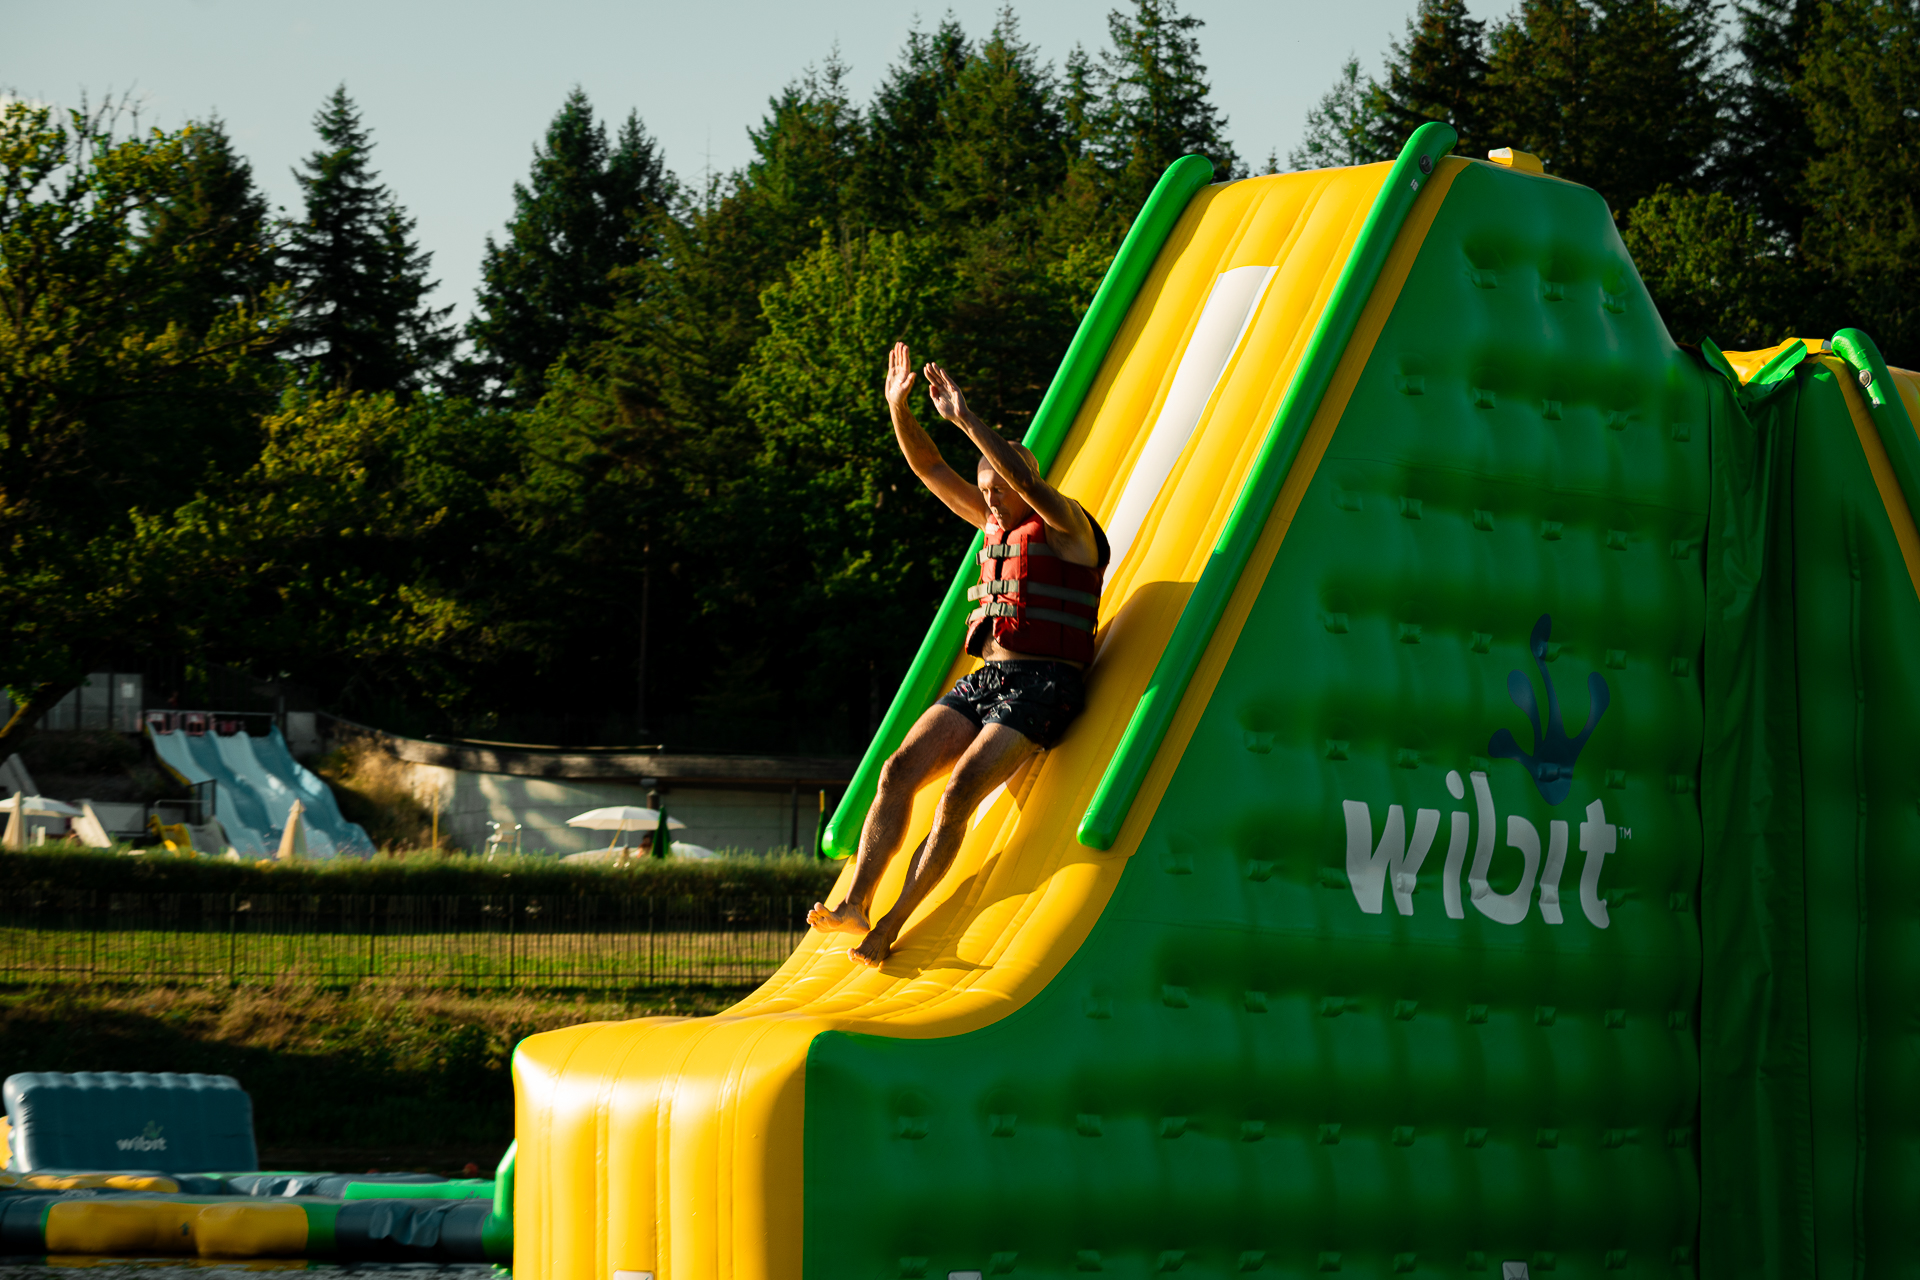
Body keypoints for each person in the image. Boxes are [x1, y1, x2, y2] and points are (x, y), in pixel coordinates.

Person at [809, 342, 1110, 968]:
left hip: (1043, 686)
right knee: (896, 771)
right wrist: (900, 410)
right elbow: (930, 470)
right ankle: (857, 902)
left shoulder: (1068, 528)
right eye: (986, 492)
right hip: (987, 678)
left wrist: (966, 418)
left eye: (1000, 490)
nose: (993, 503)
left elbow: (1024, 480)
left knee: (956, 796)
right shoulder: (997, 520)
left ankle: (892, 924)